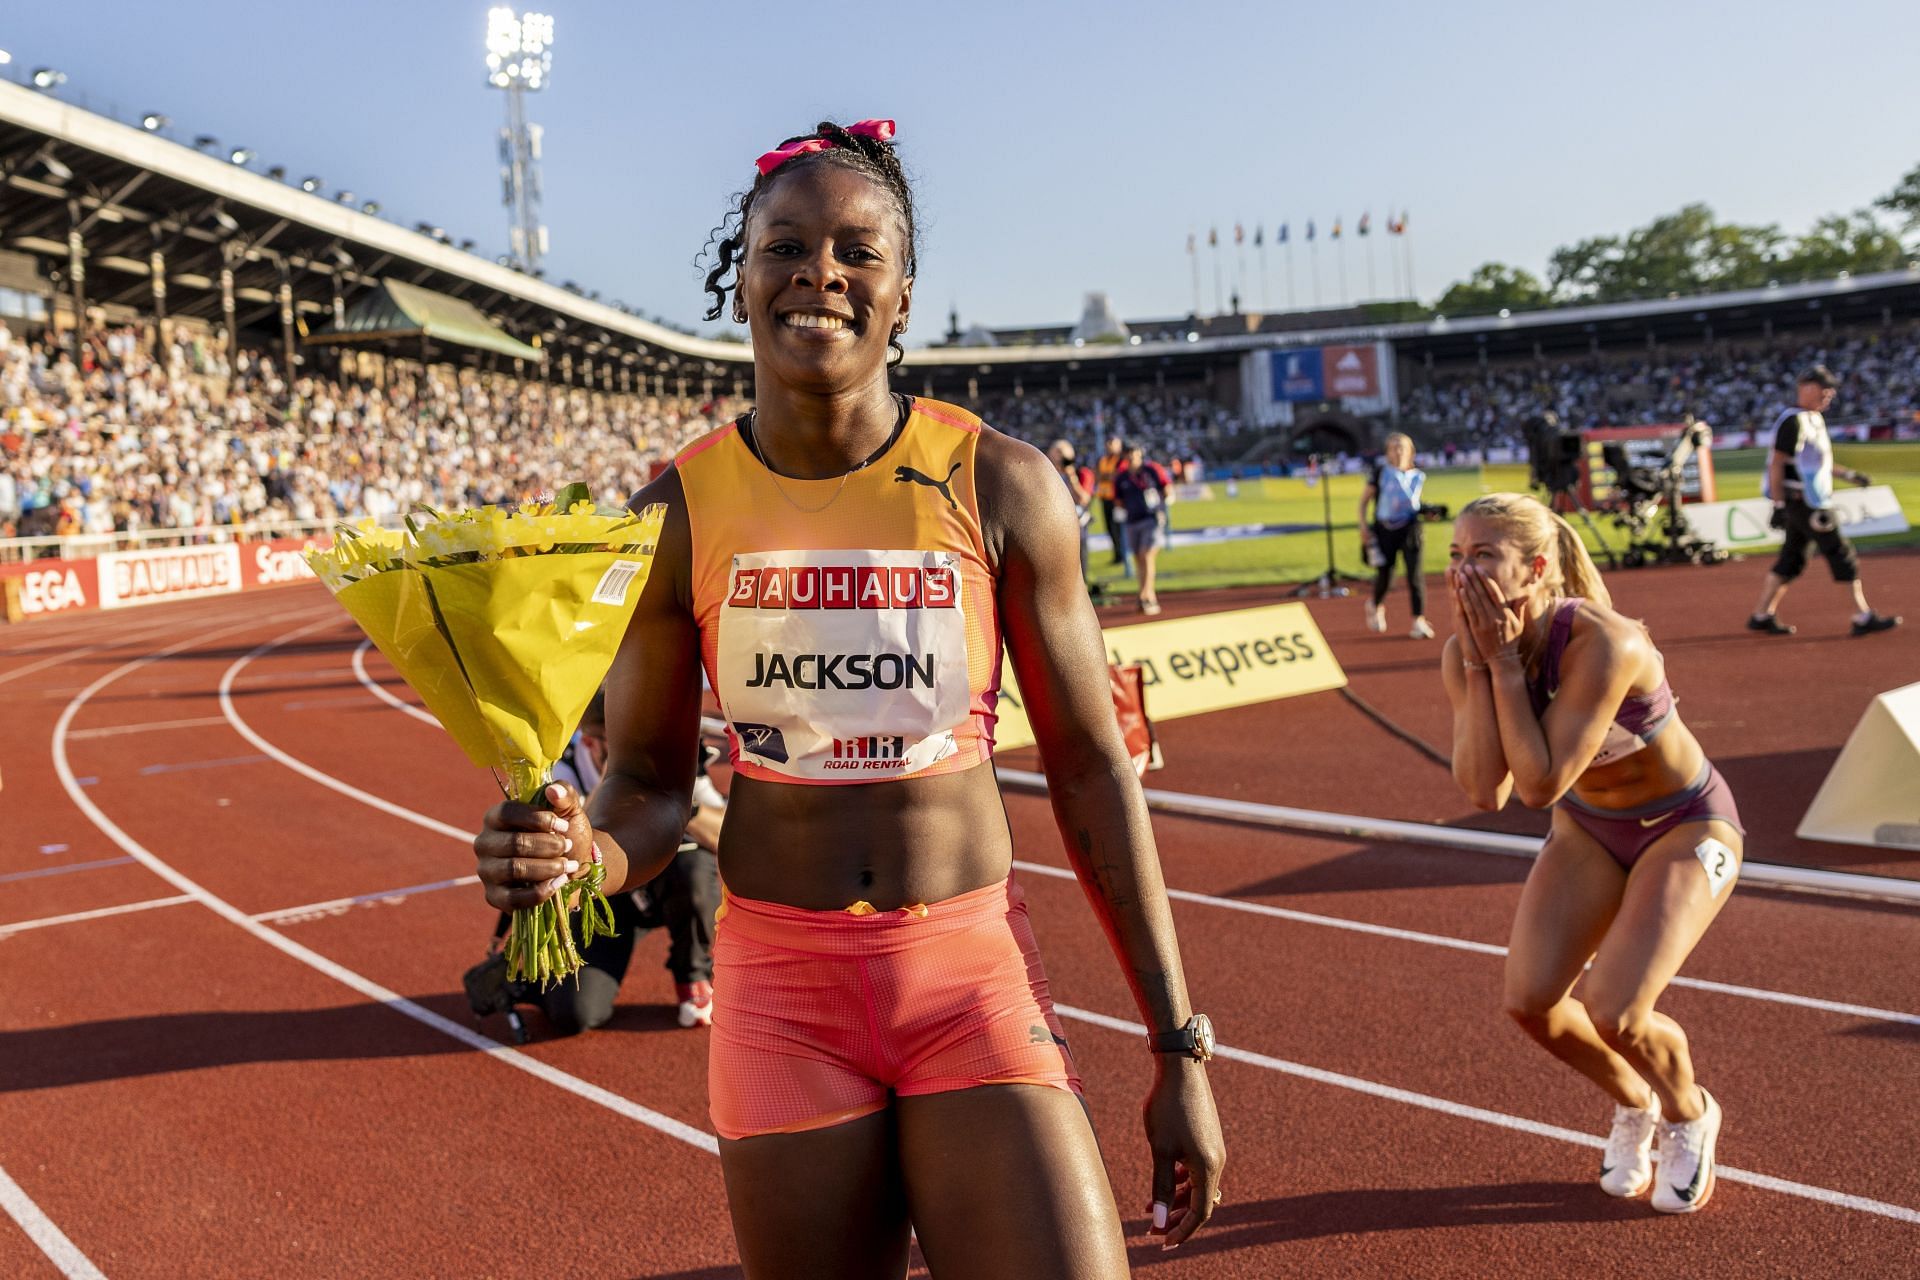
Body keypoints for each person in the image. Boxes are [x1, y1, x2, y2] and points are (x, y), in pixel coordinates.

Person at [473, 119, 1223, 1277]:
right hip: (781, 991)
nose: (820, 271)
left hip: (967, 970)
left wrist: (1179, 1047)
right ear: (741, 281)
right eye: (786, 245)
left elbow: (1089, 771)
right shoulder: (672, 509)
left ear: (904, 295)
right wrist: (583, 861)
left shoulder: (1005, 484)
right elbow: (650, 787)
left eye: (857, 250)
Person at [1442, 492, 1741, 1215]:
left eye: (1483, 556)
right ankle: (1632, 1100)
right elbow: (1486, 790)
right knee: (1531, 1003)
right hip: (1590, 832)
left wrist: (1507, 667)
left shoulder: (1607, 642)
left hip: (1686, 826)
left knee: (1618, 1010)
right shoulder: (1464, 652)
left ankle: (1688, 1110)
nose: (1461, 574)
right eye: (1454, 557)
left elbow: (1539, 785)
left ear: (1537, 567)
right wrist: (1484, 666)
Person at [533, 690, 725, 1034]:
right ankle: (524, 978)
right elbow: (563, 856)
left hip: (666, 879)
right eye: (621, 741)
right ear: (591, 743)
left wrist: (681, 807)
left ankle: (692, 976)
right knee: (574, 1014)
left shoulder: (673, 759)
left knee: (695, 867)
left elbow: (725, 834)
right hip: (602, 895)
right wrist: (611, 785)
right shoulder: (563, 770)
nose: (635, 749)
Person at [1748, 365, 1900, 638]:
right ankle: (1862, 615)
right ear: (1805, 388)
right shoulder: (1793, 421)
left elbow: (1818, 463)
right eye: (1823, 390)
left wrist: (1850, 475)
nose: (1828, 396)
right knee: (1840, 553)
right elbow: (1777, 464)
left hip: (1809, 500)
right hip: (1804, 502)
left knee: (1791, 559)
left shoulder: (1813, 419)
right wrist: (1779, 505)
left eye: (1830, 391)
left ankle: (1761, 614)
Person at [1359, 431, 1434, 639]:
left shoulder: (1417, 475)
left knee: (1415, 575)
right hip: (1385, 530)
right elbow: (1364, 501)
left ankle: (1418, 620)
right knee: (1386, 575)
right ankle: (1375, 604)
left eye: (1402, 447)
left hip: (1411, 529)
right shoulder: (1381, 472)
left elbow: (1413, 503)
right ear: (1388, 452)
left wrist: (1427, 512)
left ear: (1411, 451)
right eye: (1394, 447)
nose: (1398, 451)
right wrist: (1363, 527)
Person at [1116, 441, 1172, 615]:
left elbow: (1166, 487)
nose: (1132, 456)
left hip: (1152, 518)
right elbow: (1118, 499)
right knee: (1139, 558)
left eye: (1135, 452)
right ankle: (1148, 595)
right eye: (1129, 453)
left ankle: (1144, 595)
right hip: (1133, 520)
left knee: (1147, 555)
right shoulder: (1121, 477)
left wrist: (1162, 505)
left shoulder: (1151, 470)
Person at [1046, 437, 1105, 602]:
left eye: (1062, 455)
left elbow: (1083, 498)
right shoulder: (1047, 474)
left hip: (1077, 525)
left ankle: (1081, 598)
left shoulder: (1082, 473)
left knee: (1079, 563)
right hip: (1054, 526)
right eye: (1055, 454)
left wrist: (1071, 476)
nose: (1059, 459)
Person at [1094, 432, 1131, 573]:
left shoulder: (1121, 460)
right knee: (1109, 528)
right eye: (1108, 443)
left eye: (1112, 443)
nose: (1109, 446)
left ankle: (1123, 555)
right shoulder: (1102, 459)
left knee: (1118, 527)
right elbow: (1097, 476)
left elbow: (1117, 476)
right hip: (1105, 497)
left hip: (1117, 499)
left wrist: (1105, 476)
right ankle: (1117, 554)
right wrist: (1106, 476)